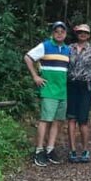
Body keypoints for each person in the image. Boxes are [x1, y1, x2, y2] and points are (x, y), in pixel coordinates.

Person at [25, 21, 71, 167]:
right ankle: (39, 150)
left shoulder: (67, 49)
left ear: (65, 33)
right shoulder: (45, 45)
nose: (59, 34)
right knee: (45, 120)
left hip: (62, 90)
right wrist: (35, 76)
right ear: (53, 33)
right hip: (49, 90)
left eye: (62, 31)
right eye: (56, 31)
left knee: (58, 121)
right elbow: (28, 57)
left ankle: (50, 149)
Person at [66, 24, 91, 163]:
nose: (82, 34)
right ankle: (72, 150)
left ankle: (85, 150)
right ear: (77, 33)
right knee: (71, 118)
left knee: (83, 119)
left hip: (86, 86)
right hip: (71, 86)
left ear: (89, 35)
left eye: (85, 33)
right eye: (80, 32)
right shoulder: (70, 48)